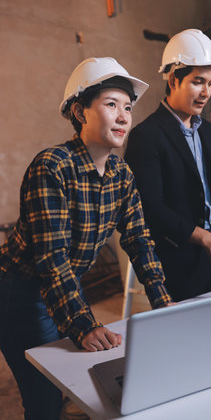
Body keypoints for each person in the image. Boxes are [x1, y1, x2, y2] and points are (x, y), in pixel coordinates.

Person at [0, 57, 172, 420]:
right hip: (18, 290)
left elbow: (140, 240)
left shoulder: (121, 175)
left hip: (62, 286)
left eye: (127, 107)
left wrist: (164, 303)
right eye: (111, 104)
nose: (124, 116)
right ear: (80, 112)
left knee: (73, 389)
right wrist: (83, 324)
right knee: (45, 398)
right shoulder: (52, 166)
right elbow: (52, 258)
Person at [125, 29, 211, 302]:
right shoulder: (146, 136)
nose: (206, 92)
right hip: (179, 258)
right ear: (174, 80)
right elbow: (150, 207)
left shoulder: (206, 130)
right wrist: (205, 239)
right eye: (198, 82)